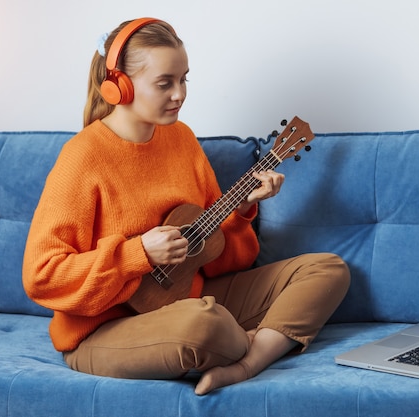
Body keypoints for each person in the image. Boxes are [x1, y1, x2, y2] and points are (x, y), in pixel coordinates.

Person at [22, 17, 350, 396]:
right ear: (119, 87)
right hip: (107, 329)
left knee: (327, 269)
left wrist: (240, 211)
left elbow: (217, 258)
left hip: (188, 298)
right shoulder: (82, 158)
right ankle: (260, 343)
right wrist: (138, 253)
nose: (179, 94)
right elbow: (42, 275)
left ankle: (247, 362)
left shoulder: (181, 138)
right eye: (165, 83)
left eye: (184, 80)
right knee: (203, 324)